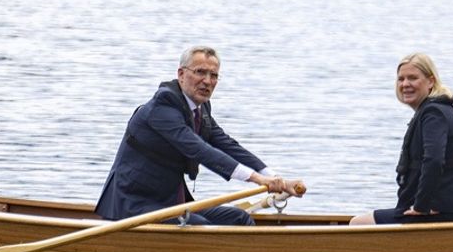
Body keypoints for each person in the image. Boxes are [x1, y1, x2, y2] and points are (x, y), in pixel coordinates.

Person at [96, 45, 303, 225]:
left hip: (171, 202)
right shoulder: (163, 106)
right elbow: (199, 149)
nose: (207, 81)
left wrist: (274, 177)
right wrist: (256, 179)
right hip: (133, 204)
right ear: (181, 74)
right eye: (200, 72)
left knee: (239, 218)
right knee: (201, 227)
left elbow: (226, 144)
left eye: (213, 75)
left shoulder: (201, 108)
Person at [350, 53, 453, 225]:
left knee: (358, 223)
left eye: (413, 78)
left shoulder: (433, 114)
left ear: (431, 81)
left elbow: (433, 160)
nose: (405, 84)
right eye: (401, 79)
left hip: (437, 215)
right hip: (452, 211)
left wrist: (423, 206)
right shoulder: (442, 109)